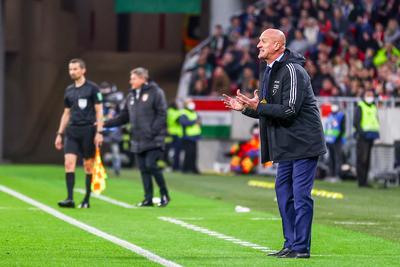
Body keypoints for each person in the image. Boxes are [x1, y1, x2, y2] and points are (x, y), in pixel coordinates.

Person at [223, 29, 326, 259]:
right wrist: (248, 108)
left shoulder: (292, 70)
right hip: (285, 145)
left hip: (303, 143)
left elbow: (289, 110)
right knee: (284, 195)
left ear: (278, 45)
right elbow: (269, 111)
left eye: (263, 41)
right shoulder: (269, 71)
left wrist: (258, 106)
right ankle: (290, 244)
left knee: (300, 196)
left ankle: (301, 247)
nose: (258, 45)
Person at [104, 67, 171, 207]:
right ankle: (148, 198)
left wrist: (152, 132)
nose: (130, 81)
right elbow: (123, 117)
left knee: (151, 165)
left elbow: (162, 114)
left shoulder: (156, 92)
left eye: (133, 78)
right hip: (137, 139)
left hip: (153, 139)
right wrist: (104, 123)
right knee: (143, 169)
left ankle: (164, 194)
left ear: (142, 79)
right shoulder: (131, 96)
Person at [55, 58, 104, 209]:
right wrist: (59, 133)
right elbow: (66, 113)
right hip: (72, 131)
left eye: (75, 69)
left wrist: (99, 132)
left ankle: (86, 199)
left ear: (83, 70)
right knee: (69, 163)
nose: (72, 72)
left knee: (88, 165)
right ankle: (69, 198)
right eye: (70, 69)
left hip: (88, 130)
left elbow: (99, 111)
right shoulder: (69, 90)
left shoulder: (92, 88)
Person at [353, 90, 380, 187]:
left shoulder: (373, 106)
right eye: (368, 95)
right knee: (362, 160)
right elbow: (356, 122)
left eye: (371, 95)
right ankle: (361, 182)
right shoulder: (360, 106)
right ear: (364, 96)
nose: (370, 97)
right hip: (362, 137)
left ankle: (365, 181)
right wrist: (363, 133)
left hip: (371, 137)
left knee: (367, 160)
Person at [179, 99, 201, 174]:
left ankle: (193, 168)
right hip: (187, 136)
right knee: (188, 153)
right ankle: (185, 169)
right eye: (189, 102)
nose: (192, 104)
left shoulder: (194, 112)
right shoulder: (183, 113)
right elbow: (184, 123)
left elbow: (199, 121)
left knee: (194, 154)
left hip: (195, 136)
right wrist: (194, 122)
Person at [324, 103, 346, 179]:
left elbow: (342, 129)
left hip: (337, 140)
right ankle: (331, 174)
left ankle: (338, 174)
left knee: (338, 158)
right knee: (331, 157)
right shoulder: (329, 115)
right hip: (329, 139)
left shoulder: (341, 115)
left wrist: (337, 137)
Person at [166, 101, 184, 171]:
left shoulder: (169, 111)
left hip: (172, 133)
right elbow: (178, 121)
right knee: (176, 151)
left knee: (173, 151)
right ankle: (175, 166)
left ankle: (174, 166)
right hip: (176, 134)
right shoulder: (174, 112)